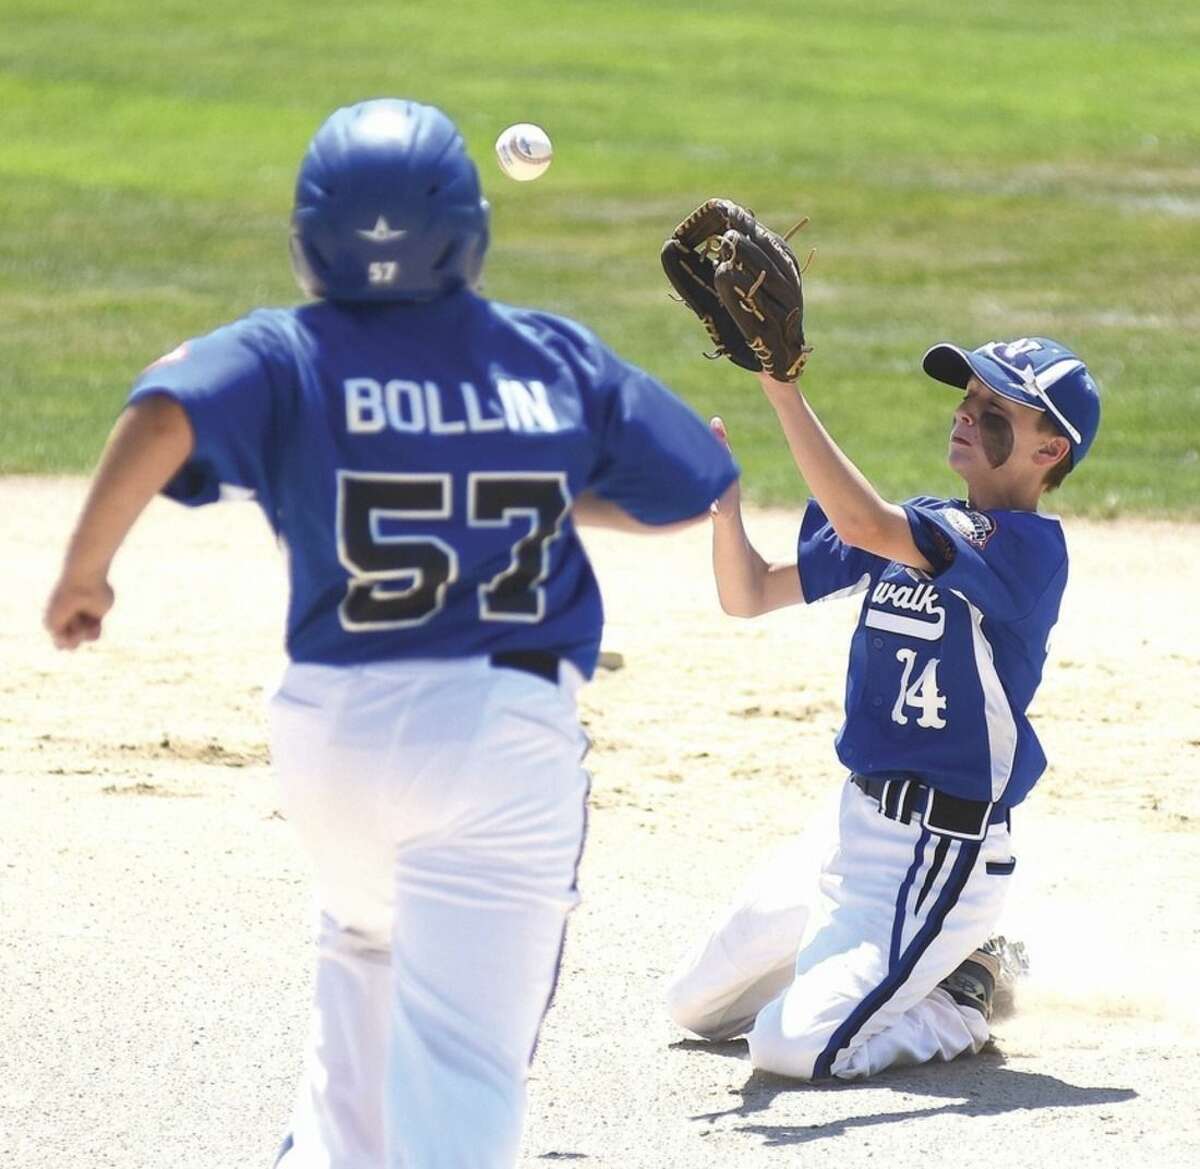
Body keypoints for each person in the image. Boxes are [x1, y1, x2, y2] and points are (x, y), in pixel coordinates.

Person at [43, 98, 737, 1168]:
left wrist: (86, 573)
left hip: (334, 736)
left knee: (362, 950)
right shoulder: (545, 355)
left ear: (310, 235)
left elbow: (162, 413)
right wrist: (530, 473)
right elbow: (688, 489)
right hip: (497, 741)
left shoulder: (286, 350)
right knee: (460, 1062)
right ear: (467, 228)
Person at [665, 336, 1101, 1080]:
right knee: (697, 1008)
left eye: (995, 406)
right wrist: (725, 510)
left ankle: (962, 988)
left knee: (790, 1047)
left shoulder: (1027, 551)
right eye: (968, 396)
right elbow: (750, 594)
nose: (967, 411)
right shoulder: (923, 523)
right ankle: (888, 967)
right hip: (844, 838)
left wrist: (782, 389)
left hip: (938, 854)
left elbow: (867, 524)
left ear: (1050, 449)